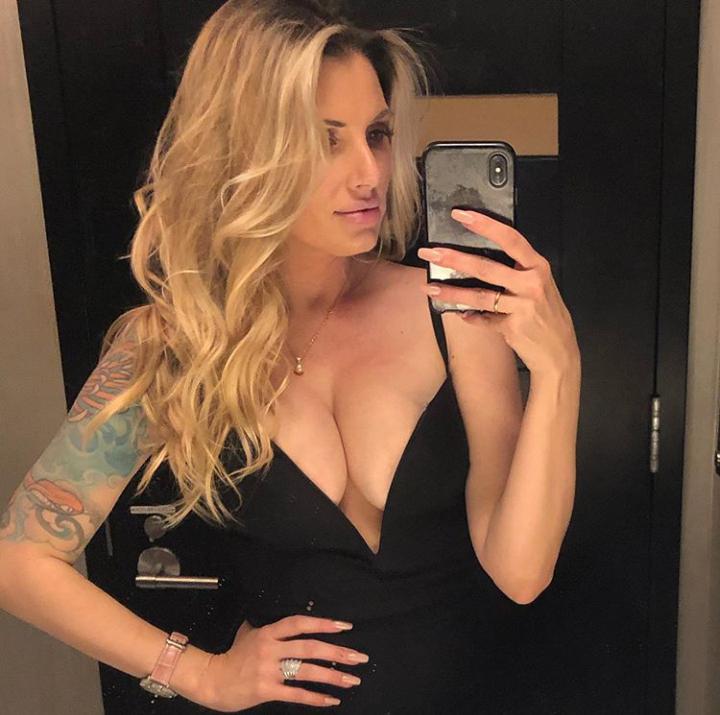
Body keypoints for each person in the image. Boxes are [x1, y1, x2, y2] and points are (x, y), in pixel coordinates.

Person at [0, 0, 582, 712]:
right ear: (243, 152)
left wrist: (560, 370)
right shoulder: (175, 343)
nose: (369, 172)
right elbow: (21, 561)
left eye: (376, 134)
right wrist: (198, 673)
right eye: (323, 140)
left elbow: (521, 572)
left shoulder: (455, 310)